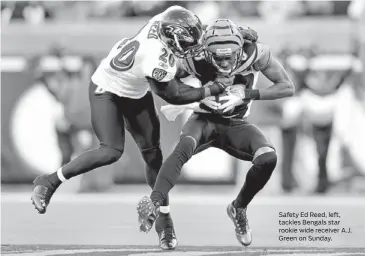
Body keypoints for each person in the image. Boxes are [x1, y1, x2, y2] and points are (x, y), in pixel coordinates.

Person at [31, 6, 229, 250]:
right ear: (171, 39)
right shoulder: (154, 56)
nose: (191, 49)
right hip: (107, 90)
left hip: (135, 90)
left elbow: (188, 34)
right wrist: (212, 89)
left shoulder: (170, 16)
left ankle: (164, 222)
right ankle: (49, 182)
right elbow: (174, 95)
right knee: (110, 150)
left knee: (153, 156)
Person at [136, 19, 294, 247]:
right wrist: (199, 93)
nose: (225, 62)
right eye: (218, 57)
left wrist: (247, 94)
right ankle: (154, 204)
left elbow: (287, 87)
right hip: (204, 120)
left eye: (230, 56)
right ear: (206, 51)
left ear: (240, 49)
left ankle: (238, 207)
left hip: (235, 123)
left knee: (268, 157)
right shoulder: (193, 56)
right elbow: (165, 86)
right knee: (181, 150)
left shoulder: (255, 53)